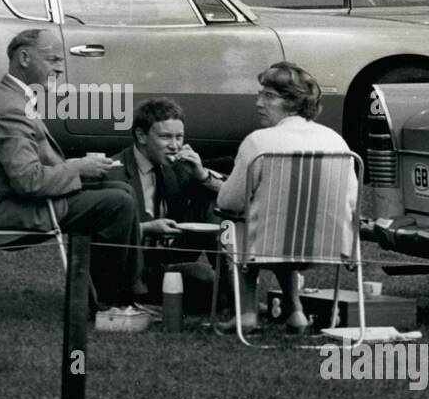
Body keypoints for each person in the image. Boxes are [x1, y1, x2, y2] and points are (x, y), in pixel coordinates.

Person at [0, 29, 145, 330]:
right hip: (6, 210)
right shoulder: (9, 107)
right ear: (24, 57)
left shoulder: (11, 97)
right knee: (119, 202)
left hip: (10, 200)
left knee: (120, 189)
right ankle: (114, 304)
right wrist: (77, 168)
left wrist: (78, 166)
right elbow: (29, 181)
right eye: (53, 59)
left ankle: (119, 297)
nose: (60, 67)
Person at [215, 63, 358, 334]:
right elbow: (351, 201)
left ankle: (246, 312)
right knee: (282, 225)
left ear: (293, 102)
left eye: (268, 96)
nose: (258, 103)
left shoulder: (259, 142)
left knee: (235, 224)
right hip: (331, 245)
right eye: (260, 94)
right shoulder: (336, 141)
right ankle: (295, 312)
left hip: (268, 246)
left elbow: (229, 202)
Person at [114, 98, 223, 312]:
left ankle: (232, 289)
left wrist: (201, 175)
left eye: (179, 137)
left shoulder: (179, 167)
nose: (175, 146)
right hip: (133, 263)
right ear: (141, 136)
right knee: (204, 278)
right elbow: (102, 236)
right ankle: (226, 293)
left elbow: (231, 196)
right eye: (165, 137)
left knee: (212, 204)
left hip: (171, 254)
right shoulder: (114, 172)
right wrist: (147, 228)